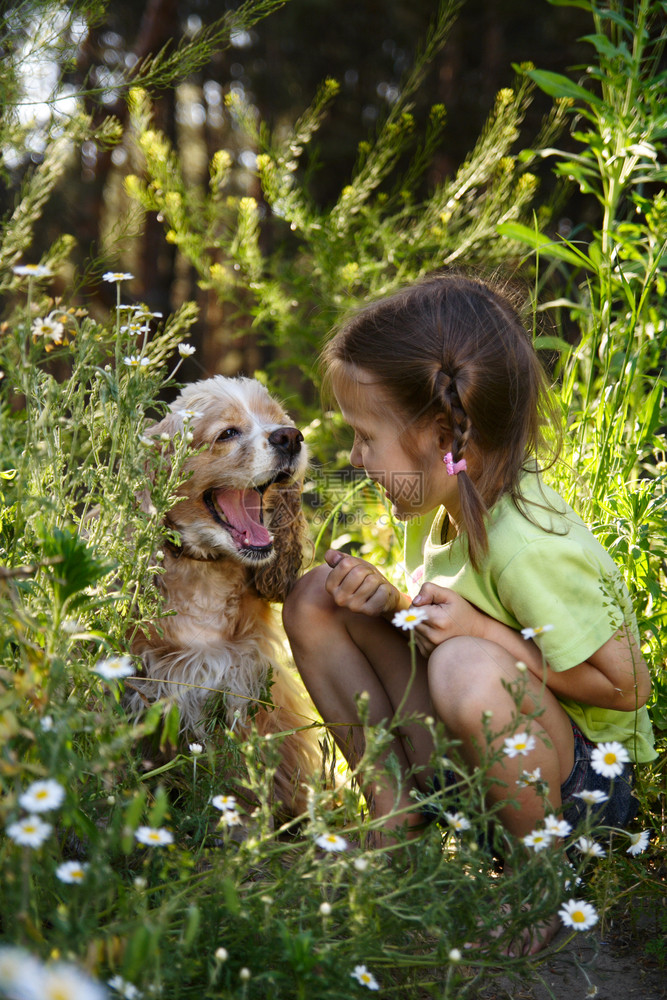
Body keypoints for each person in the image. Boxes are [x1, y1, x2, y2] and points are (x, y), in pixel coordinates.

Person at [283, 274, 655, 884]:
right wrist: (391, 606)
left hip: (579, 795)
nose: (354, 457)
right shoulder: (438, 502)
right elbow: (454, 629)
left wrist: (478, 632)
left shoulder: (529, 543)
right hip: (483, 754)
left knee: (463, 664)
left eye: (365, 437)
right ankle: (392, 812)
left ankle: (542, 882)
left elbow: (627, 687)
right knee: (314, 599)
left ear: (442, 438)